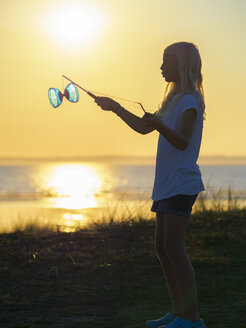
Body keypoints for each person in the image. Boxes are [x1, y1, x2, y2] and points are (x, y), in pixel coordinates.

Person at [94, 41, 206, 328]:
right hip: (167, 184)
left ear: (180, 65)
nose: (160, 67)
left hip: (182, 183)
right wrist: (116, 108)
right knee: (162, 247)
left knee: (174, 247)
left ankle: (192, 319)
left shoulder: (190, 101)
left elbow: (181, 141)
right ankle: (178, 312)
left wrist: (158, 125)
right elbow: (145, 127)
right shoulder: (172, 100)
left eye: (165, 61)